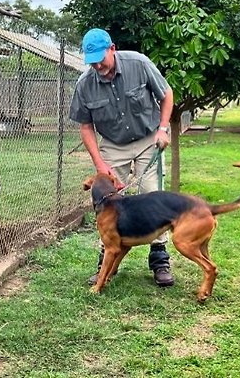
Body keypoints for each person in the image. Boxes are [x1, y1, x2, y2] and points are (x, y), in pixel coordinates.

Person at [69, 28, 175, 287]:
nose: (97, 65)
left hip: (147, 138)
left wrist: (163, 128)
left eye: (100, 59)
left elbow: (166, 94)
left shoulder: (138, 63)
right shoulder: (85, 84)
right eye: (91, 61)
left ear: (112, 48)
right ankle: (105, 259)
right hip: (113, 145)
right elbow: (85, 126)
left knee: (152, 194)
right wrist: (99, 164)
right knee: (109, 203)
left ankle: (159, 257)